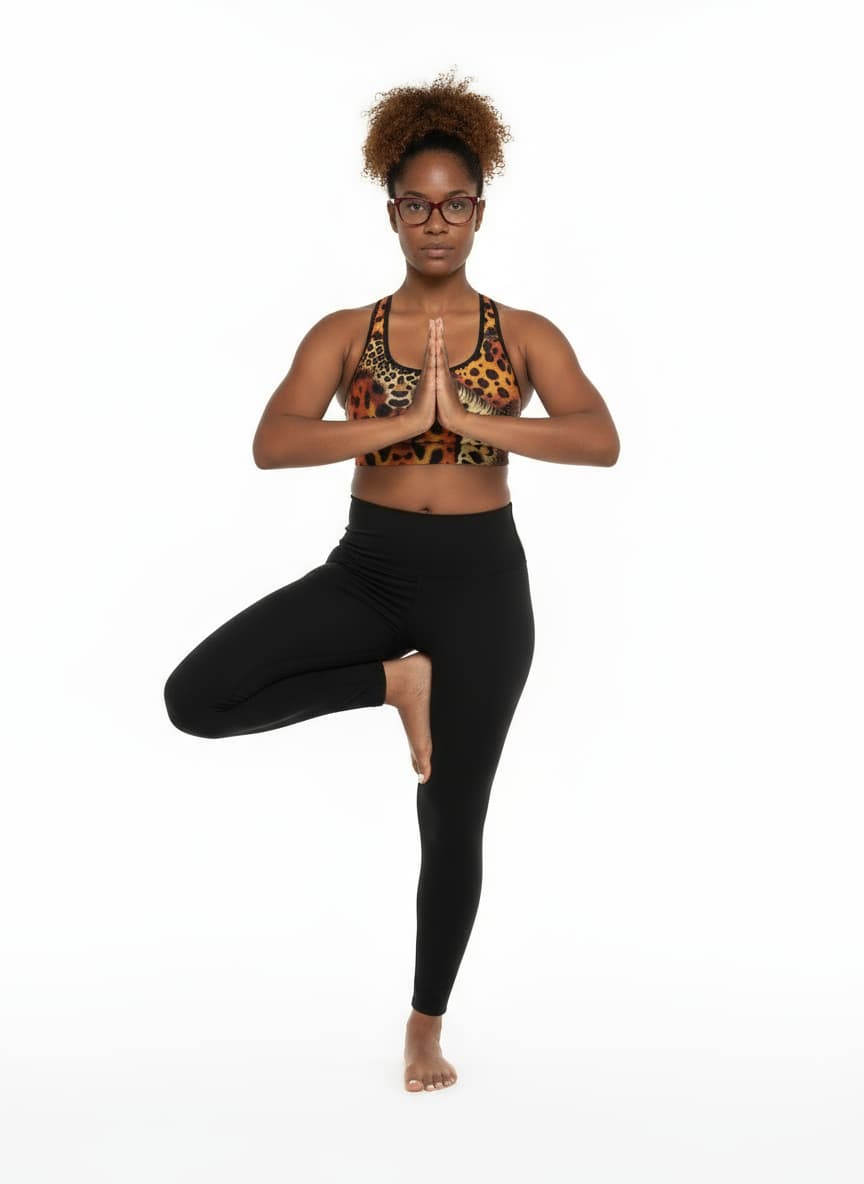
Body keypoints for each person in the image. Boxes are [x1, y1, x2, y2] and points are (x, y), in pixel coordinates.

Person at [163, 67, 620, 1094]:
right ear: (392, 213)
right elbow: (274, 443)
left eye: (455, 204)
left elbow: (599, 438)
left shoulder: (523, 333)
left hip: (482, 587)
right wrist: (405, 421)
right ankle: (393, 681)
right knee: (197, 697)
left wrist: (474, 419)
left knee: (452, 815)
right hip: (368, 571)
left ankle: (425, 1025)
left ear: (481, 211)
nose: (436, 222)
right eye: (417, 204)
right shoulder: (346, 332)